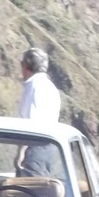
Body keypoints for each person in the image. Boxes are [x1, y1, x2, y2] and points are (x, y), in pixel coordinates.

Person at [15, 48, 61, 176]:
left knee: (28, 186)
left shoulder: (33, 86)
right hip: (48, 147)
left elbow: (30, 124)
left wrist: (21, 152)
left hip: (34, 148)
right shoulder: (50, 87)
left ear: (26, 65)